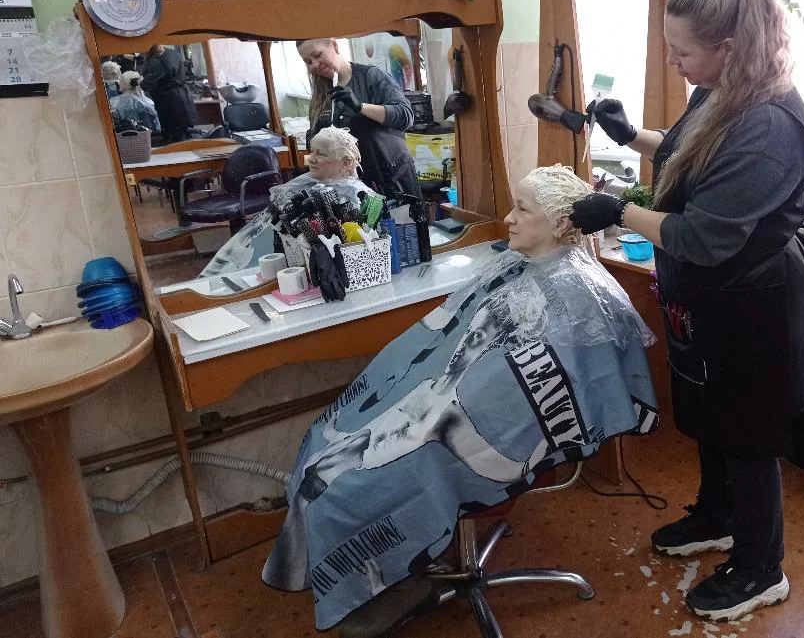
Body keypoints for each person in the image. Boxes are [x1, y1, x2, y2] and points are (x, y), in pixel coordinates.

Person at [262, 165, 659, 636]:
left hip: (474, 434)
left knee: (341, 488)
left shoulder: (573, 293)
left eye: (522, 209)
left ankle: (379, 583)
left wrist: (429, 424)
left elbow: (521, 405)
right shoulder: (517, 266)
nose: (508, 218)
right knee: (322, 452)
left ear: (558, 223)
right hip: (431, 409)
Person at [568, 0, 804, 622]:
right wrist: (632, 136)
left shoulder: (770, 125)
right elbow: (690, 151)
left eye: (682, 52)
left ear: (730, 48)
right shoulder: (723, 89)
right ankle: (717, 514)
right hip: (704, 298)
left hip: (753, 304)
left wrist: (617, 210)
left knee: (748, 434)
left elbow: (703, 236)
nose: (674, 63)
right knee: (709, 414)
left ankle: (762, 566)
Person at [200, 128, 377, 277]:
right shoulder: (305, 182)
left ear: (345, 162)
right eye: (311, 151)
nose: (311, 159)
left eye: (321, 154)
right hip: (268, 256)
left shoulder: (357, 197)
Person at [297, 38, 420, 202]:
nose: (315, 64)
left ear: (334, 46)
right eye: (308, 62)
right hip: (348, 187)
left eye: (317, 55)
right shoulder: (321, 94)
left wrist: (361, 107)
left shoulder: (371, 77)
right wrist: (314, 158)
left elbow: (405, 116)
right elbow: (313, 137)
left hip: (391, 179)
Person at [140, 44, 198, 143]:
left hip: (168, 98)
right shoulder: (173, 54)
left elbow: (150, 80)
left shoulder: (157, 61)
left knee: (175, 131)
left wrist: (139, 83)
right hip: (180, 94)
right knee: (181, 129)